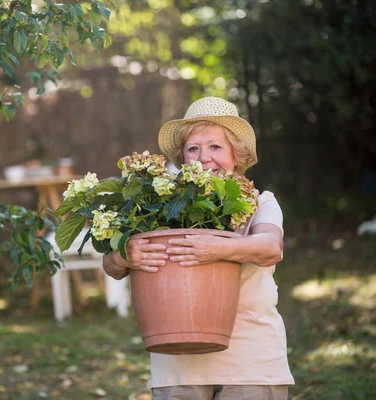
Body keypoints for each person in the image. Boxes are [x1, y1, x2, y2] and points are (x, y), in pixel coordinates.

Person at [102, 97, 295, 400]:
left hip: (251, 360)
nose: (204, 157)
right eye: (193, 148)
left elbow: (271, 247)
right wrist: (124, 256)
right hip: (177, 362)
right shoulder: (158, 207)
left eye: (215, 147)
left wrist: (214, 249)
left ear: (236, 154)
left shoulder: (262, 202)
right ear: (183, 157)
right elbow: (111, 267)